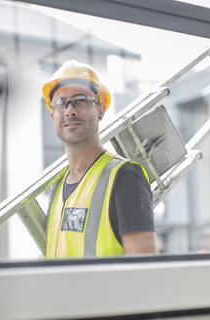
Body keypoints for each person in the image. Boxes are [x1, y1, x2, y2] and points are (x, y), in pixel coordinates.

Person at [42, 60, 158, 259]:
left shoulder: (125, 177)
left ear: (101, 110)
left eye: (80, 100)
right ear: (53, 116)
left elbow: (145, 274)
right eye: (61, 103)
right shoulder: (58, 186)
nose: (70, 110)